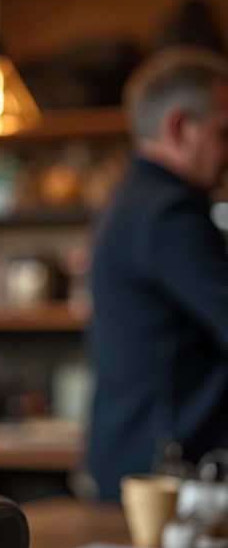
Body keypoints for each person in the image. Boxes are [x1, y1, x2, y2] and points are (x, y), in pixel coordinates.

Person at [87, 46, 228, 501]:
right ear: (180, 127)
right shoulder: (169, 213)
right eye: (223, 132)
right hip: (167, 477)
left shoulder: (133, 198)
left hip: (136, 461)